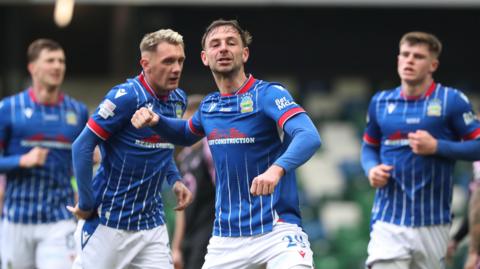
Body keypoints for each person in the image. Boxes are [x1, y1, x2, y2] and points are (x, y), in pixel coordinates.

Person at [131, 19, 321, 269]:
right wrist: (156, 120)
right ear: (204, 57)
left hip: (276, 229)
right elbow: (186, 133)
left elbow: (308, 135)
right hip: (226, 238)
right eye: (215, 44)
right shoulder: (209, 106)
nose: (223, 49)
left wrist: (277, 169)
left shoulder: (268, 94)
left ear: (244, 54)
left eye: (231, 43)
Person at [67, 28, 193, 269]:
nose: (176, 68)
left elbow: (162, 147)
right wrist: (85, 203)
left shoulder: (179, 99)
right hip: (110, 222)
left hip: (151, 224)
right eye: (168, 61)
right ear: (145, 63)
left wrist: (175, 180)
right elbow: (82, 146)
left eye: (180, 60)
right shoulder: (125, 97)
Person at [361, 31, 480, 269]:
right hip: (388, 219)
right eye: (405, 54)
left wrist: (437, 146)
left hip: (433, 222)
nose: (409, 60)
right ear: (398, 60)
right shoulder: (381, 102)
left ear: (433, 65)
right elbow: (369, 147)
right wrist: (371, 169)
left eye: (418, 56)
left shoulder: (452, 101)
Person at [0, 38, 89, 269]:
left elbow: (87, 157)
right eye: (50, 60)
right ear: (33, 68)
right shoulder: (9, 108)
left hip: (59, 220)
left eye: (61, 61)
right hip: (16, 220)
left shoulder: (77, 112)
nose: (58, 66)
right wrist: (22, 160)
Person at [171, 95, 216, 269]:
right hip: (189, 233)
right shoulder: (184, 156)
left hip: (208, 231)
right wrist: (176, 246)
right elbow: (180, 206)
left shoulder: (210, 149)